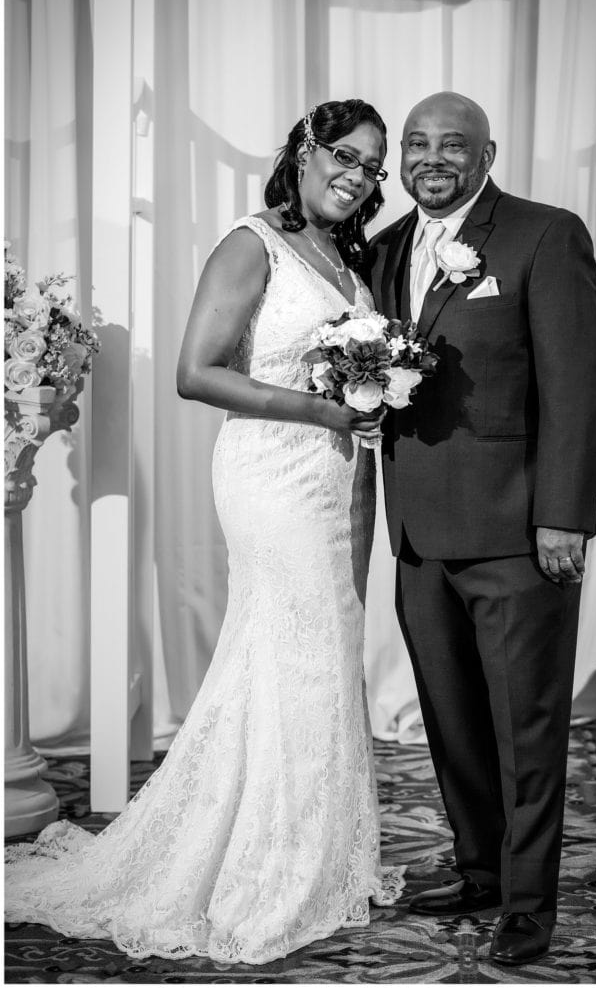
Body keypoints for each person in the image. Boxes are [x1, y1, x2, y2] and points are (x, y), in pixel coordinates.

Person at [5, 99, 404, 964]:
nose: (358, 175)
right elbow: (195, 373)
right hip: (271, 473)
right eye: (345, 153)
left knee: (311, 652)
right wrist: (323, 408)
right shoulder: (250, 243)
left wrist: (360, 411)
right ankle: (272, 864)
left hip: (334, 479)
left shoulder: (341, 255)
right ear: (303, 150)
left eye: (373, 167)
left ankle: (307, 845)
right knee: (296, 647)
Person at [367, 92, 596, 966]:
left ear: (487, 152)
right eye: (418, 143)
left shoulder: (545, 234)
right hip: (419, 536)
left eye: (453, 144)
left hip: (516, 532)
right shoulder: (386, 247)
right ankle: (476, 867)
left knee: (525, 730)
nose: (432, 158)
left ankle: (526, 905)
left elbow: (578, 385)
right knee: (453, 721)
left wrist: (563, 518)